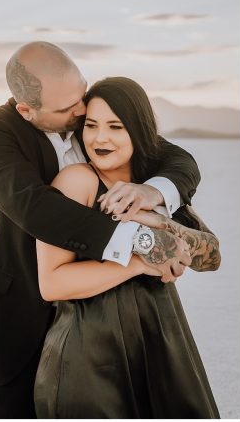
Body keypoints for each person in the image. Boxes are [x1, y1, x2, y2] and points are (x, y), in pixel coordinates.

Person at [0, 42, 204, 418]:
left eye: (81, 94)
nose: (82, 110)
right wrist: (139, 246)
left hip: (101, 315)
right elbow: (32, 207)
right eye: (67, 109)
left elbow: (177, 159)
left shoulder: (93, 123)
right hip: (22, 306)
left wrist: (154, 189)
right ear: (27, 111)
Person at [33, 77, 220, 418]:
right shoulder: (77, 181)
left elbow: (211, 256)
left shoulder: (152, 186)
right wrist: (138, 264)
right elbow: (52, 284)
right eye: (91, 126)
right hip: (91, 354)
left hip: (163, 342)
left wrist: (156, 218)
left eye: (115, 127)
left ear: (139, 131)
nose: (99, 138)